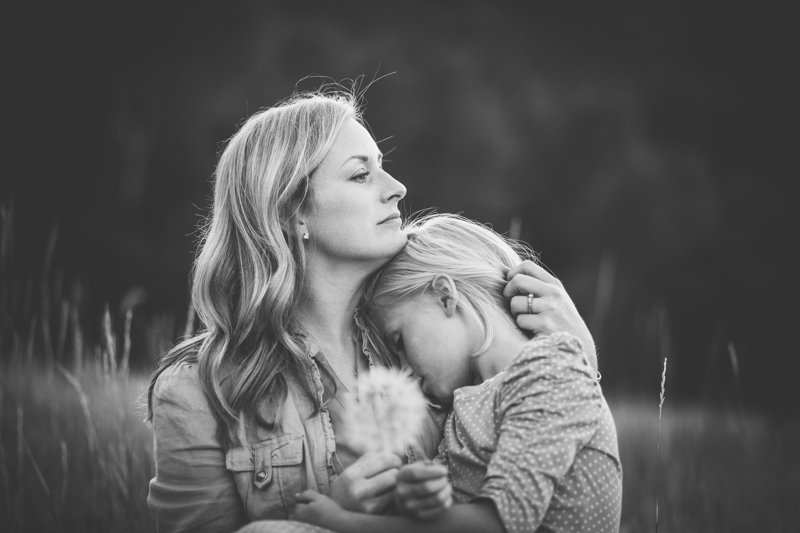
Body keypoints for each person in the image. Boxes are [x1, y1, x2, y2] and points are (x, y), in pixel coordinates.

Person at [145, 89, 598, 532]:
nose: (397, 189)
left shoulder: (428, 338)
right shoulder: (200, 389)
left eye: (383, 169)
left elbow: (542, 458)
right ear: (292, 212)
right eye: (361, 175)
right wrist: (324, 518)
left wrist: (578, 353)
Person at [292, 214, 621, 533]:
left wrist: (345, 524)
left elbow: (499, 523)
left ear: (446, 296)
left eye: (400, 342)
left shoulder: (548, 368)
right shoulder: (463, 410)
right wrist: (417, 498)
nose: (405, 371)